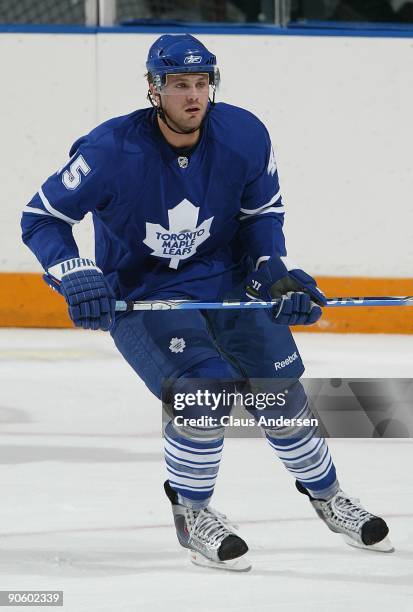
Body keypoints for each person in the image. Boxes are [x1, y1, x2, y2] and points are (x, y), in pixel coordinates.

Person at [21, 33, 392, 571]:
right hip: (145, 295)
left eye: (201, 84)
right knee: (205, 393)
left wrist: (272, 275)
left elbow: (261, 216)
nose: (192, 96)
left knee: (280, 395)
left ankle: (328, 497)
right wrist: (75, 273)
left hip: (227, 287)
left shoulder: (243, 133)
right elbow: (42, 219)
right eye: (178, 85)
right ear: (154, 90)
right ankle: (193, 513)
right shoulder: (107, 152)